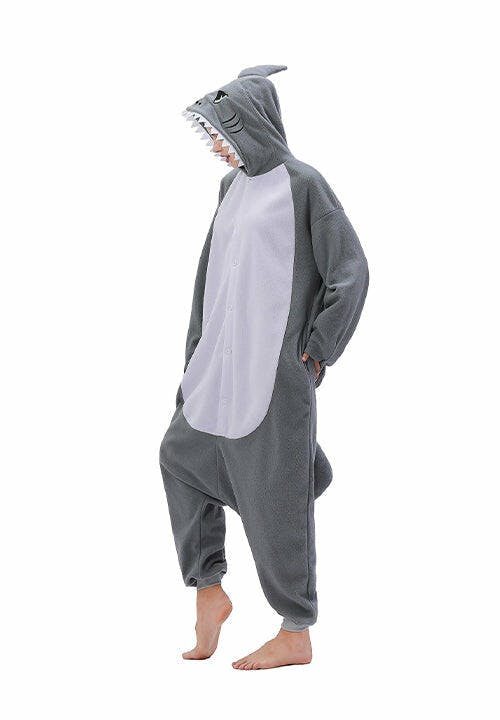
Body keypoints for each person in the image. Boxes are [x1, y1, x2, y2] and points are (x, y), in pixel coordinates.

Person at [159, 65, 369, 670]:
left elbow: (350, 270)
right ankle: (209, 590)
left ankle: (295, 630)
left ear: (250, 121)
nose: (217, 146)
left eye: (220, 132)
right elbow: (209, 281)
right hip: (217, 366)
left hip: (274, 372)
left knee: (276, 496)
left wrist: (319, 348)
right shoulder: (230, 188)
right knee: (179, 457)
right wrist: (193, 355)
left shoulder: (305, 185)